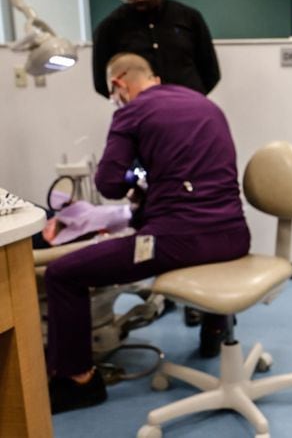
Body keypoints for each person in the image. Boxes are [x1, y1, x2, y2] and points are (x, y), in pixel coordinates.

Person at [45, 53, 249, 413]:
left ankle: (78, 381)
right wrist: (149, 183)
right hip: (235, 236)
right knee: (172, 234)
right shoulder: (205, 105)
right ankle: (215, 330)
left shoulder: (131, 112)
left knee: (63, 274)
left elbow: (108, 182)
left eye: (113, 93)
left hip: (178, 241)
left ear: (119, 83)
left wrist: (132, 179)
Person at [92, 0, 220, 98]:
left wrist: (192, 99)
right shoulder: (110, 28)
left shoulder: (189, 18)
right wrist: (131, 104)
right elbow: (102, 83)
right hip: (142, 113)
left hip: (191, 106)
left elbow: (210, 72)